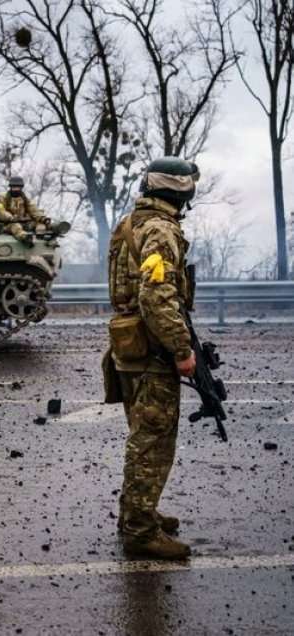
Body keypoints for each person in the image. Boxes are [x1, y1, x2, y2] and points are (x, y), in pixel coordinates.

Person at [103, 156, 201, 560]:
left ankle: (138, 513)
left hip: (130, 346)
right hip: (152, 350)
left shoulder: (131, 223)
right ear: (180, 190)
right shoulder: (161, 230)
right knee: (153, 439)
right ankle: (140, 532)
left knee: (144, 435)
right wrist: (181, 349)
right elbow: (156, 295)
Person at [0, 175, 51, 247]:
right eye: (14, 187)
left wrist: (43, 218)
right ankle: (25, 238)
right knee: (16, 227)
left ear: (21, 188)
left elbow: (33, 209)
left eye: (18, 187)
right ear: (11, 187)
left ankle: (40, 237)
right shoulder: (3, 198)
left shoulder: (24, 198)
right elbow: (0, 211)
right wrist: (10, 217)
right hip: (7, 224)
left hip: (23, 223)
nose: (16, 189)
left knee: (40, 225)